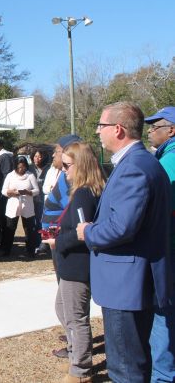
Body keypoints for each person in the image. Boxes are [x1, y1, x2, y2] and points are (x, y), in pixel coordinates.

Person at [77, 102, 172, 382]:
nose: (97, 131)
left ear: (117, 129)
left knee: (125, 369)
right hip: (131, 281)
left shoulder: (135, 166)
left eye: (101, 125)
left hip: (125, 285)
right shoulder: (141, 162)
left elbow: (122, 226)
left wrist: (89, 232)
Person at [45, 142, 104, 383]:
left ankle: (80, 370)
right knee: (63, 309)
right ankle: (75, 357)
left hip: (77, 265)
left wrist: (58, 241)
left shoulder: (83, 193)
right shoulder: (85, 190)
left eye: (67, 165)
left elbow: (82, 232)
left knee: (75, 318)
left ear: (80, 165)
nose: (63, 169)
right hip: (74, 264)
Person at [145, 106, 175, 382]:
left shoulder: (169, 162)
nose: (150, 132)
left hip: (167, 248)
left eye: (155, 127)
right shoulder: (163, 157)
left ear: (171, 130)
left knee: (164, 312)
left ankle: (163, 376)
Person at [0, 156, 40, 258]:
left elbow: (37, 190)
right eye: (19, 167)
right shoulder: (10, 175)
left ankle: (30, 250)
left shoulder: (30, 175)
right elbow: (3, 190)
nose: (21, 169)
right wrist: (10, 192)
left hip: (27, 205)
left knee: (29, 229)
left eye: (23, 167)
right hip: (13, 205)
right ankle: (6, 249)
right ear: (15, 166)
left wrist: (28, 192)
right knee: (10, 228)